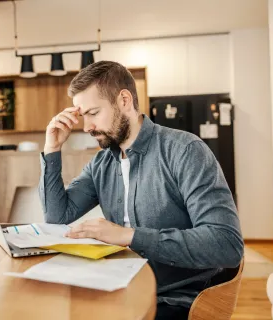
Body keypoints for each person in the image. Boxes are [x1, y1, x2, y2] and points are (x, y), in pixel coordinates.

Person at [38, 60, 243, 320]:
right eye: (83, 116)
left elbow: (226, 245)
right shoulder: (101, 163)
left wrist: (129, 236)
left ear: (124, 100)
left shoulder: (185, 150)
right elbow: (56, 216)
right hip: (119, 284)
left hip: (178, 297)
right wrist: (52, 148)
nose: (86, 127)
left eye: (92, 113)